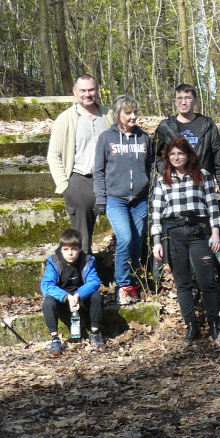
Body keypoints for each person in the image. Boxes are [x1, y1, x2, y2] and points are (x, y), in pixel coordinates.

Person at [152, 84, 220, 294]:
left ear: (195, 100)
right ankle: (180, 288)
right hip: (176, 194)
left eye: (187, 98)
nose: (183, 102)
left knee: (216, 242)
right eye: (179, 98)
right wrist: (167, 172)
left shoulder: (207, 125)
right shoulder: (165, 126)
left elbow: (218, 161)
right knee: (179, 247)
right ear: (175, 101)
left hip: (202, 191)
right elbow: (155, 157)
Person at [151, 137, 220, 342]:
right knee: (182, 283)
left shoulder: (203, 176)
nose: (177, 158)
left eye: (180, 153)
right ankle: (191, 326)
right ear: (168, 157)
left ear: (188, 155)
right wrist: (156, 241)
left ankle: (213, 323)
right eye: (172, 154)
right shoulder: (162, 180)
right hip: (174, 233)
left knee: (206, 280)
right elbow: (156, 212)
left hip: (198, 232)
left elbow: (213, 206)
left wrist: (215, 233)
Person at [94, 95, 152, 305]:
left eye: (135, 112)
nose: (133, 116)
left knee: (137, 242)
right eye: (128, 113)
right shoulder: (106, 138)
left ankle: (134, 283)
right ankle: (122, 284)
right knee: (125, 238)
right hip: (115, 199)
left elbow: (150, 167)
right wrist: (101, 198)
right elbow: (99, 170)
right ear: (118, 114)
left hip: (139, 200)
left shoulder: (144, 138)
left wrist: (150, 191)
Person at [47, 75, 115, 253]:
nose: (87, 94)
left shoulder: (109, 116)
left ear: (97, 90)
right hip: (80, 180)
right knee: (82, 238)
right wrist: (65, 185)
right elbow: (53, 155)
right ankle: (83, 267)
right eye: (83, 90)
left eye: (91, 89)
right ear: (74, 92)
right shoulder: (65, 119)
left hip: (110, 180)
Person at [40, 228, 103, 356]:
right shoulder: (54, 261)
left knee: (97, 296)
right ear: (61, 249)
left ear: (79, 249)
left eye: (74, 249)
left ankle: (95, 334)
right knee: (48, 301)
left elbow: (94, 282)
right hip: (62, 300)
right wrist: (66, 296)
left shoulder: (87, 261)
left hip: (81, 299)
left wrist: (79, 295)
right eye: (66, 249)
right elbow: (46, 285)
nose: (70, 253)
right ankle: (55, 339)